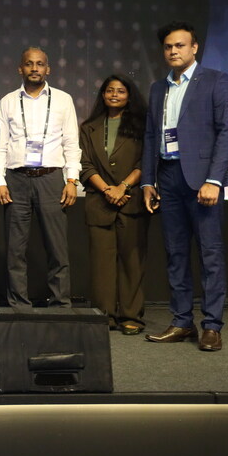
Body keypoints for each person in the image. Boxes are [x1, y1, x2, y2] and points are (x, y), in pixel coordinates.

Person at [142, 21, 228, 352]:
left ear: (194, 48)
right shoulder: (158, 88)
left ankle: (212, 326)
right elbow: (151, 136)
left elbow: (227, 130)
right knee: (175, 253)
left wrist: (214, 179)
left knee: (210, 254)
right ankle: (182, 321)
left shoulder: (215, 80)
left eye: (180, 45)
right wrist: (148, 180)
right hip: (168, 177)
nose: (173, 51)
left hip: (203, 180)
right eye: (168, 46)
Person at [0, 47, 81, 308]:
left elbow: (71, 143)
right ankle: (19, 306)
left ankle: (60, 305)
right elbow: (0, 145)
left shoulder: (63, 99)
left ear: (47, 69)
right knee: (15, 249)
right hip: (16, 179)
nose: (34, 68)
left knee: (57, 248)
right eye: (29, 64)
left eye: (40, 64)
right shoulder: (8, 101)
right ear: (20, 68)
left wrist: (72, 180)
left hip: (51, 178)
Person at [79, 75, 150, 335]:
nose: (114, 95)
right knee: (101, 263)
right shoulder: (89, 127)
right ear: (103, 95)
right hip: (100, 201)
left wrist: (123, 187)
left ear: (129, 96)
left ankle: (131, 316)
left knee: (132, 262)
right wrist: (107, 189)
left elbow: (145, 162)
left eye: (120, 91)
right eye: (110, 90)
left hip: (132, 201)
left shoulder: (142, 126)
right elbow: (84, 164)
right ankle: (104, 315)